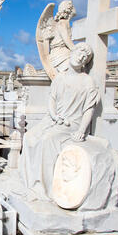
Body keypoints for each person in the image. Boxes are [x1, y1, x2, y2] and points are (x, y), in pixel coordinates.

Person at [18, 42, 100, 201]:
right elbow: (52, 101)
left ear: (85, 63)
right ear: (71, 53)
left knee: (48, 140)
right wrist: (54, 116)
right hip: (53, 119)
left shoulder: (87, 81)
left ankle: (46, 188)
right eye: (78, 53)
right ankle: (30, 181)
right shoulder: (59, 78)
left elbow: (89, 109)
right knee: (29, 137)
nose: (80, 57)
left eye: (84, 57)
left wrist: (81, 130)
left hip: (72, 123)